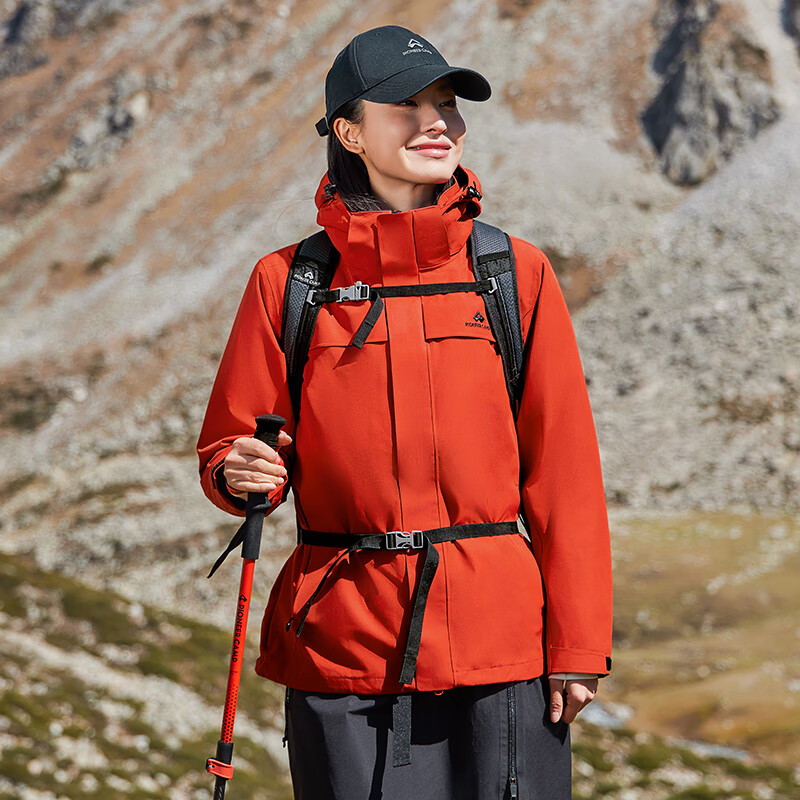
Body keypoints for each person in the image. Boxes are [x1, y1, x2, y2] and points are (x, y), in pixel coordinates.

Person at [197, 24, 613, 800]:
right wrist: (237, 470)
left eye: (447, 104)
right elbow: (233, 443)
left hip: (505, 652)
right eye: (407, 107)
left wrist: (579, 646)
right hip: (342, 649)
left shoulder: (514, 274)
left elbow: (565, 475)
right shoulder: (288, 283)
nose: (437, 123)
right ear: (349, 133)